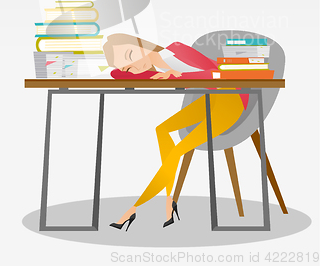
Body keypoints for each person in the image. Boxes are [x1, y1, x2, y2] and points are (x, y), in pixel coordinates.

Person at [103, 33, 248, 231]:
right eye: (127, 66)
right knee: (162, 130)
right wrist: (127, 70)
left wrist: (177, 75)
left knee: (177, 151)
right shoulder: (155, 68)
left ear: (143, 45)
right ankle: (169, 199)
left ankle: (134, 208)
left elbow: (220, 74)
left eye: (131, 55)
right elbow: (116, 75)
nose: (134, 66)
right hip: (209, 100)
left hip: (231, 101)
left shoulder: (176, 50)